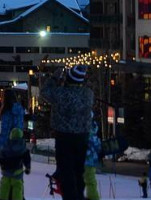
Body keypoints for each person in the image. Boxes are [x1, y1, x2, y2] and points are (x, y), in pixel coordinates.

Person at [40, 64, 94, 200]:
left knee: (66, 172)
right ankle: (79, 196)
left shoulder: (61, 94)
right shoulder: (88, 94)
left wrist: (54, 77)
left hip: (64, 136)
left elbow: (45, 91)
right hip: (83, 136)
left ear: (69, 79)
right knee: (78, 172)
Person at [0, 128, 31, 200]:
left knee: (4, 187)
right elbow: (27, 158)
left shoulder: (6, 145)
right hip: (17, 173)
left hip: (6, 172)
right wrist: (28, 167)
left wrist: (2, 166)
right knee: (17, 188)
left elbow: (1, 157)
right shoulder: (22, 146)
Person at [84, 113, 101, 200]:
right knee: (90, 180)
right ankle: (93, 197)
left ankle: (92, 197)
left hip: (85, 160)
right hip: (91, 161)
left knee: (86, 180)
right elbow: (98, 147)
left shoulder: (85, 133)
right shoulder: (94, 135)